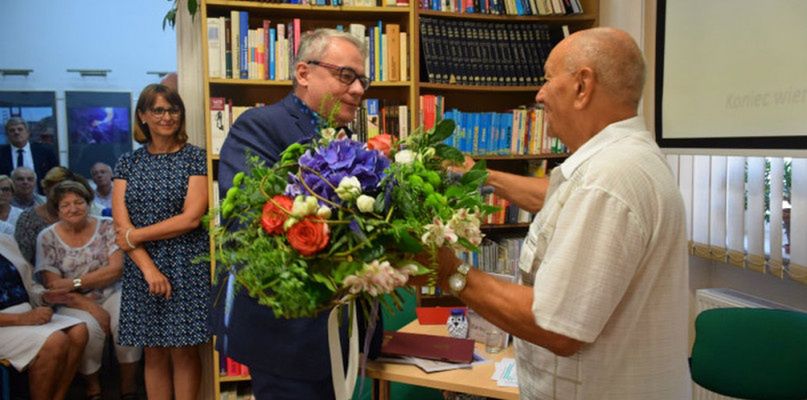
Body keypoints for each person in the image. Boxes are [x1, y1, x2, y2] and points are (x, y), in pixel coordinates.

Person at [433, 28, 691, 399]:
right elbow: (557, 201)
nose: (538, 95)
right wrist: (482, 175)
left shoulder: (608, 179)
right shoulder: (621, 161)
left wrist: (447, 271)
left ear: (582, 87)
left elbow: (555, 326)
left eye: (547, 79)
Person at [216, 28, 382, 400]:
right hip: (288, 334)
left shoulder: (344, 138)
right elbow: (251, 220)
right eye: (346, 76)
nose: (358, 90)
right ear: (304, 73)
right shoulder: (258, 127)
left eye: (362, 80)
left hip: (337, 333)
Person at [113, 83, 209, 400]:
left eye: (173, 109)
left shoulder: (196, 158)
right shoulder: (127, 163)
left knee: (183, 350)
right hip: (142, 267)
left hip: (186, 263)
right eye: (158, 110)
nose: (167, 116)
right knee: (152, 351)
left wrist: (135, 235)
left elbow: (191, 218)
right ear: (143, 116)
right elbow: (120, 225)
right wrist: (149, 270)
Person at [36, 181, 142, 400]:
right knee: (89, 329)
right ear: (57, 209)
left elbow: (116, 270)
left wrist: (74, 282)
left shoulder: (107, 226)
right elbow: (54, 286)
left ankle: (128, 388)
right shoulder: (46, 237)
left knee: (126, 319)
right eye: (65, 205)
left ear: (88, 203)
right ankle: (93, 388)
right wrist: (91, 306)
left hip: (112, 291)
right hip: (71, 302)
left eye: (78, 202)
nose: (73, 208)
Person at [0, 233, 89, 400]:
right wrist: (22, 319)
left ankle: (58, 397)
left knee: (79, 331)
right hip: (6, 323)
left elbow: (30, 285)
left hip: (26, 314)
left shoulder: (5, 240)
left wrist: (45, 297)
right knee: (55, 341)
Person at [15, 166, 96, 265]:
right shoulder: (28, 218)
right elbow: (22, 260)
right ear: (45, 189)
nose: (61, 195)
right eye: (57, 189)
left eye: (67, 190)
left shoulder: (80, 215)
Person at [0, 117, 59, 193]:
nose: (16, 132)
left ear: (28, 132)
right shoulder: (1, 154)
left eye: (20, 129)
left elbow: (56, 176)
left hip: (40, 199)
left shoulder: (45, 152)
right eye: (12, 130)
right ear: (7, 135)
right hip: (9, 201)